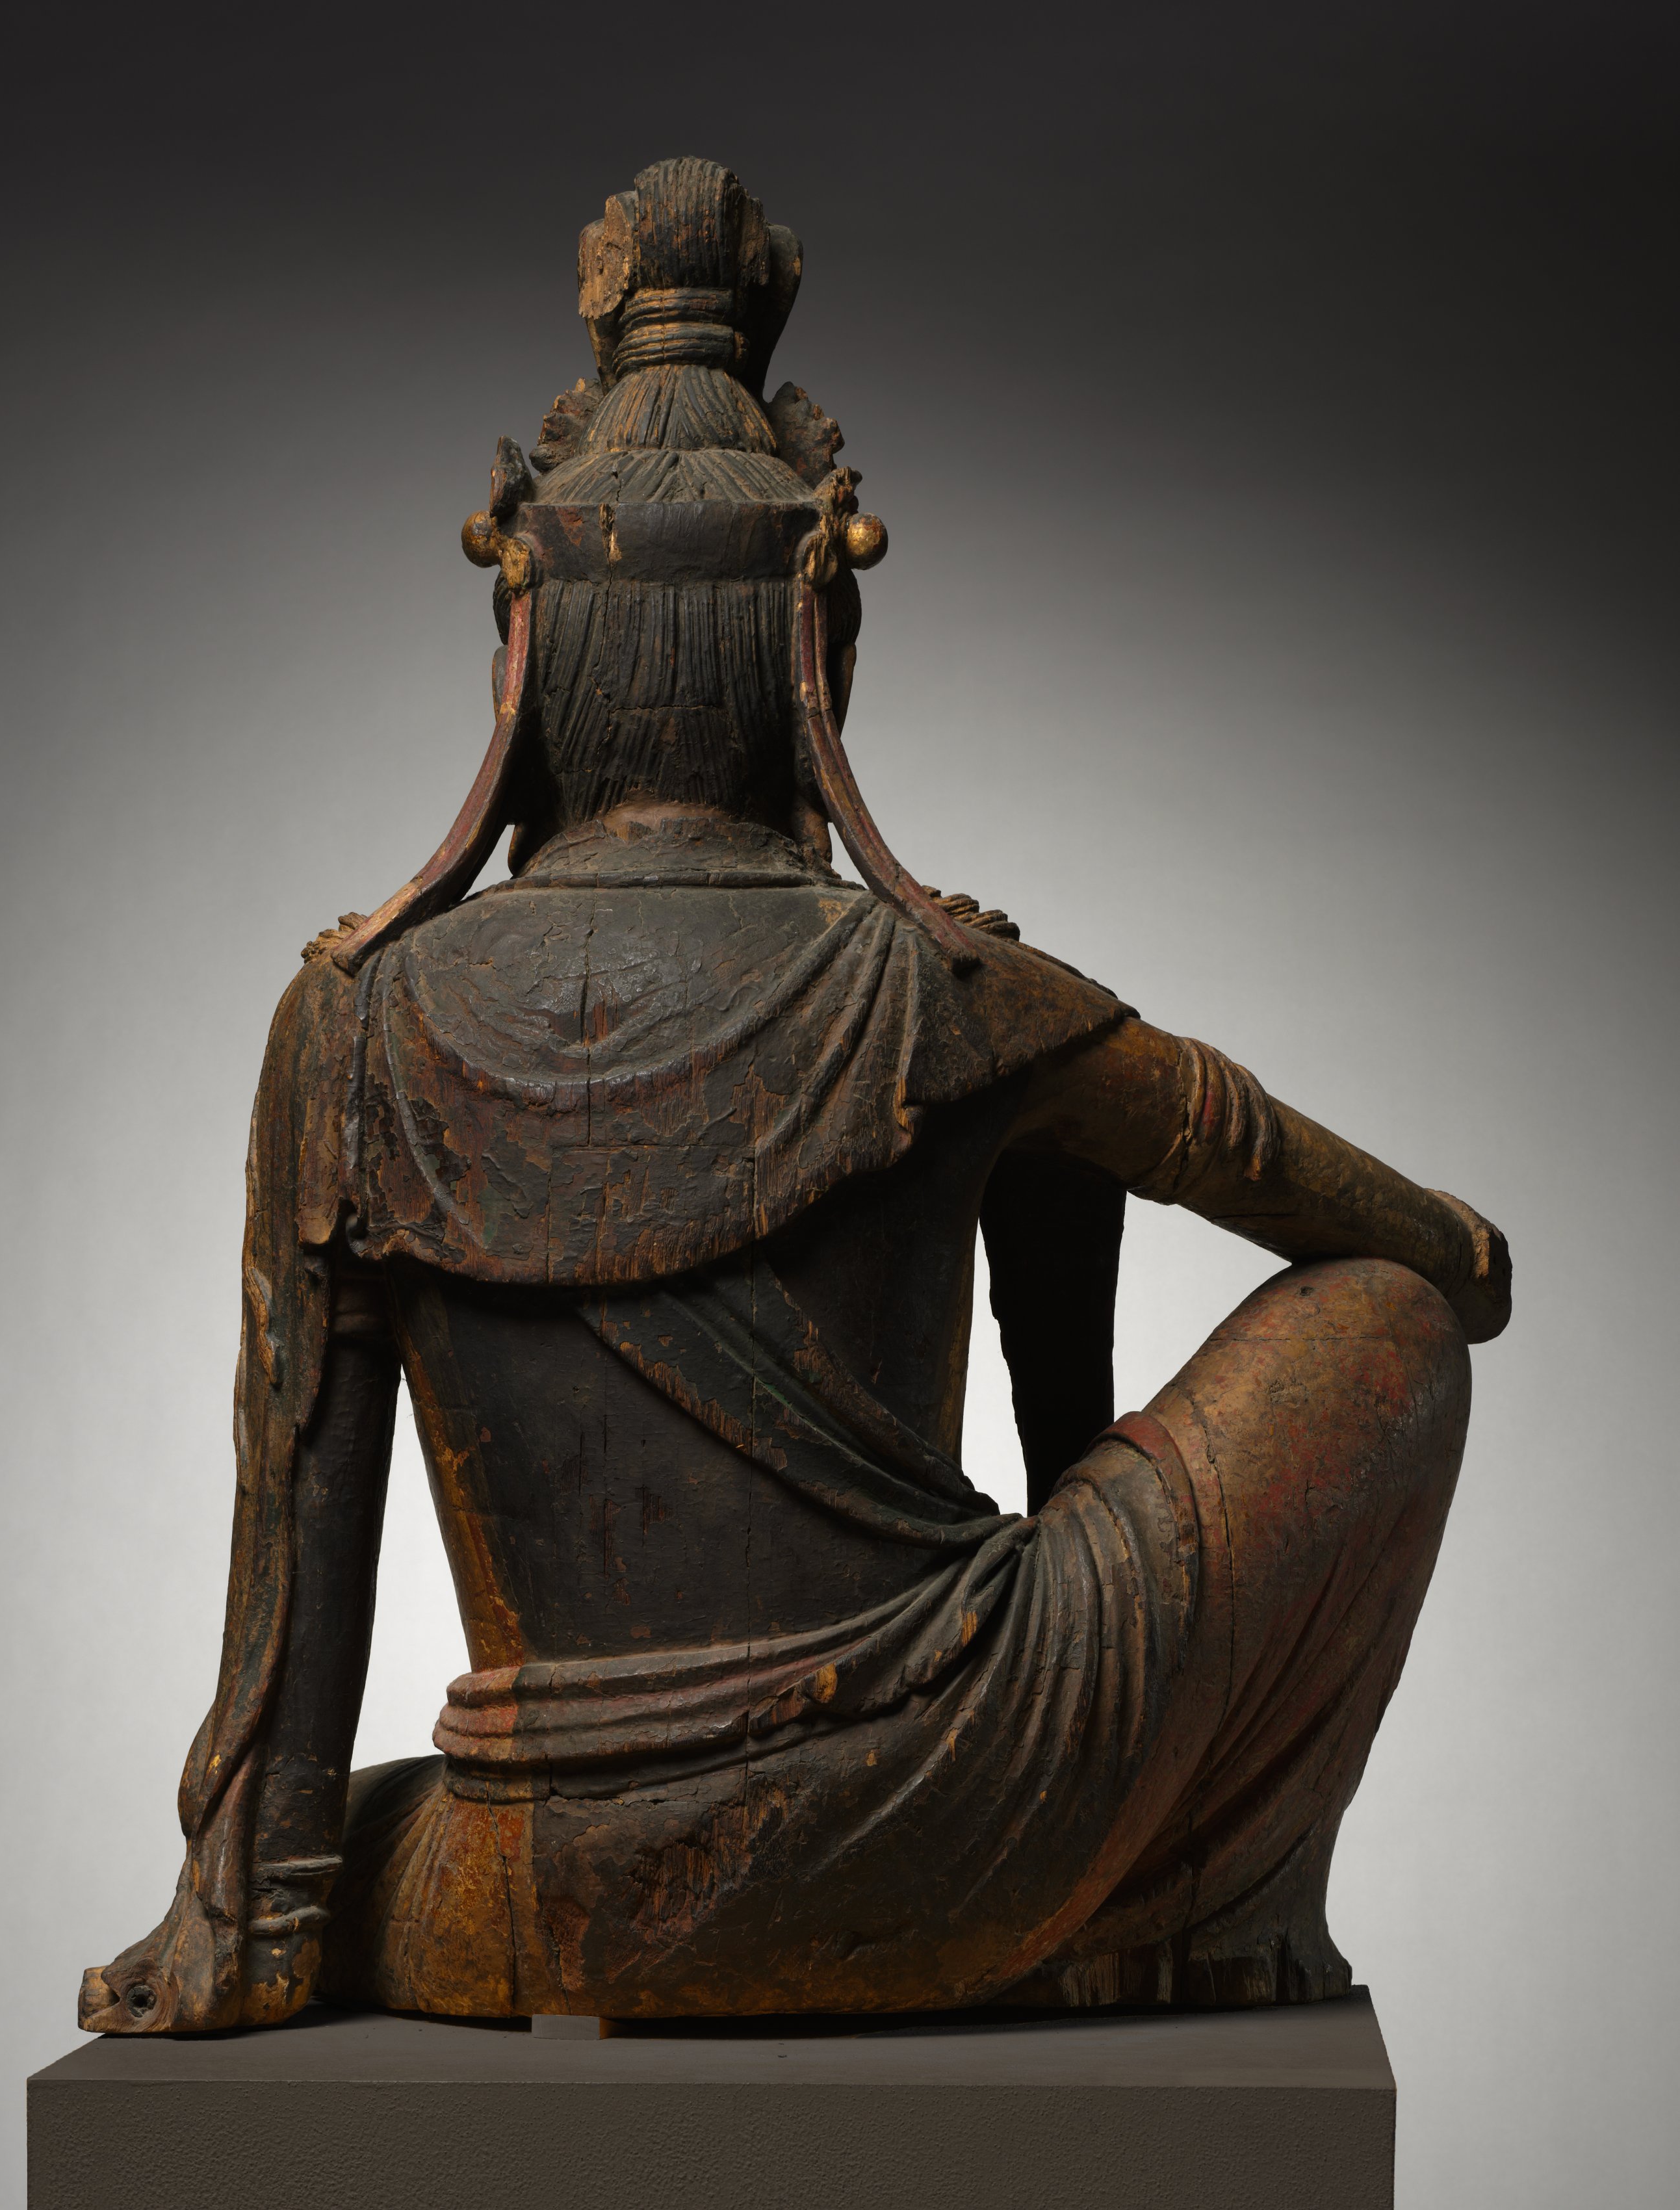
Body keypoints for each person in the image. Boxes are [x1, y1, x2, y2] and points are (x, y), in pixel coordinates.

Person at [81, 157, 1509, 2036]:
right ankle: (1159, 1899)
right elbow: (1383, 1232)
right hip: (955, 1821)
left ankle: (470, 1911)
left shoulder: (347, 1026)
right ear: (812, 647)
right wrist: (1438, 1243)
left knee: (358, 1831)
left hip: (544, 1900)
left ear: (524, 659)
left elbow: (291, 1610)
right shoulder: (951, 988)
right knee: (1385, 1332)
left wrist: (257, 1922)